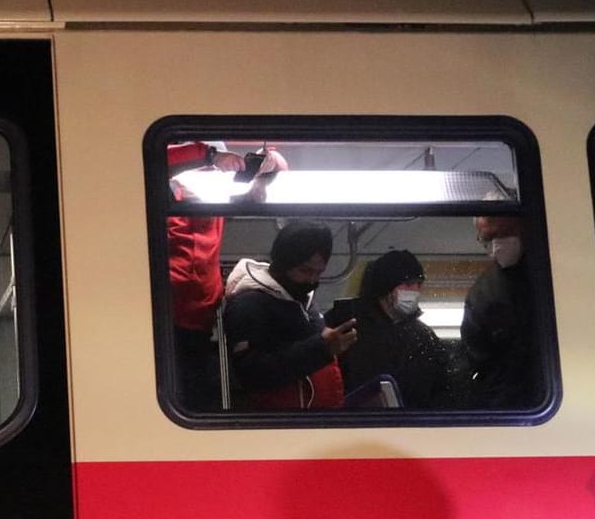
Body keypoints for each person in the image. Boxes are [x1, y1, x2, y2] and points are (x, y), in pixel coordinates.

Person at [165, 143, 288, 411]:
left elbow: (273, 175)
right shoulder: (162, 187)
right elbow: (154, 156)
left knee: (194, 397)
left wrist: (269, 163)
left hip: (200, 315)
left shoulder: (216, 194)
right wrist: (210, 156)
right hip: (163, 312)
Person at [221, 221, 357, 409]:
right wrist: (321, 348)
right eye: (305, 270)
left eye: (319, 273)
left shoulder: (303, 301)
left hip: (318, 418)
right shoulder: (248, 304)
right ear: (284, 263)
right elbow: (252, 374)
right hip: (279, 424)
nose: (311, 280)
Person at [340, 248, 469, 409]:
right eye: (408, 284)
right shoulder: (350, 330)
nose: (414, 291)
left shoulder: (424, 336)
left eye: (418, 284)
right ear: (386, 287)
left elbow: (443, 388)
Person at [461, 202, 544, 409]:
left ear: (524, 227)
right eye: (488, 239)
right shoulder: (482, 293)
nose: (497, 244)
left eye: (505, 233)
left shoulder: (567, 268)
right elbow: (479, 363)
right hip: (512, 409)